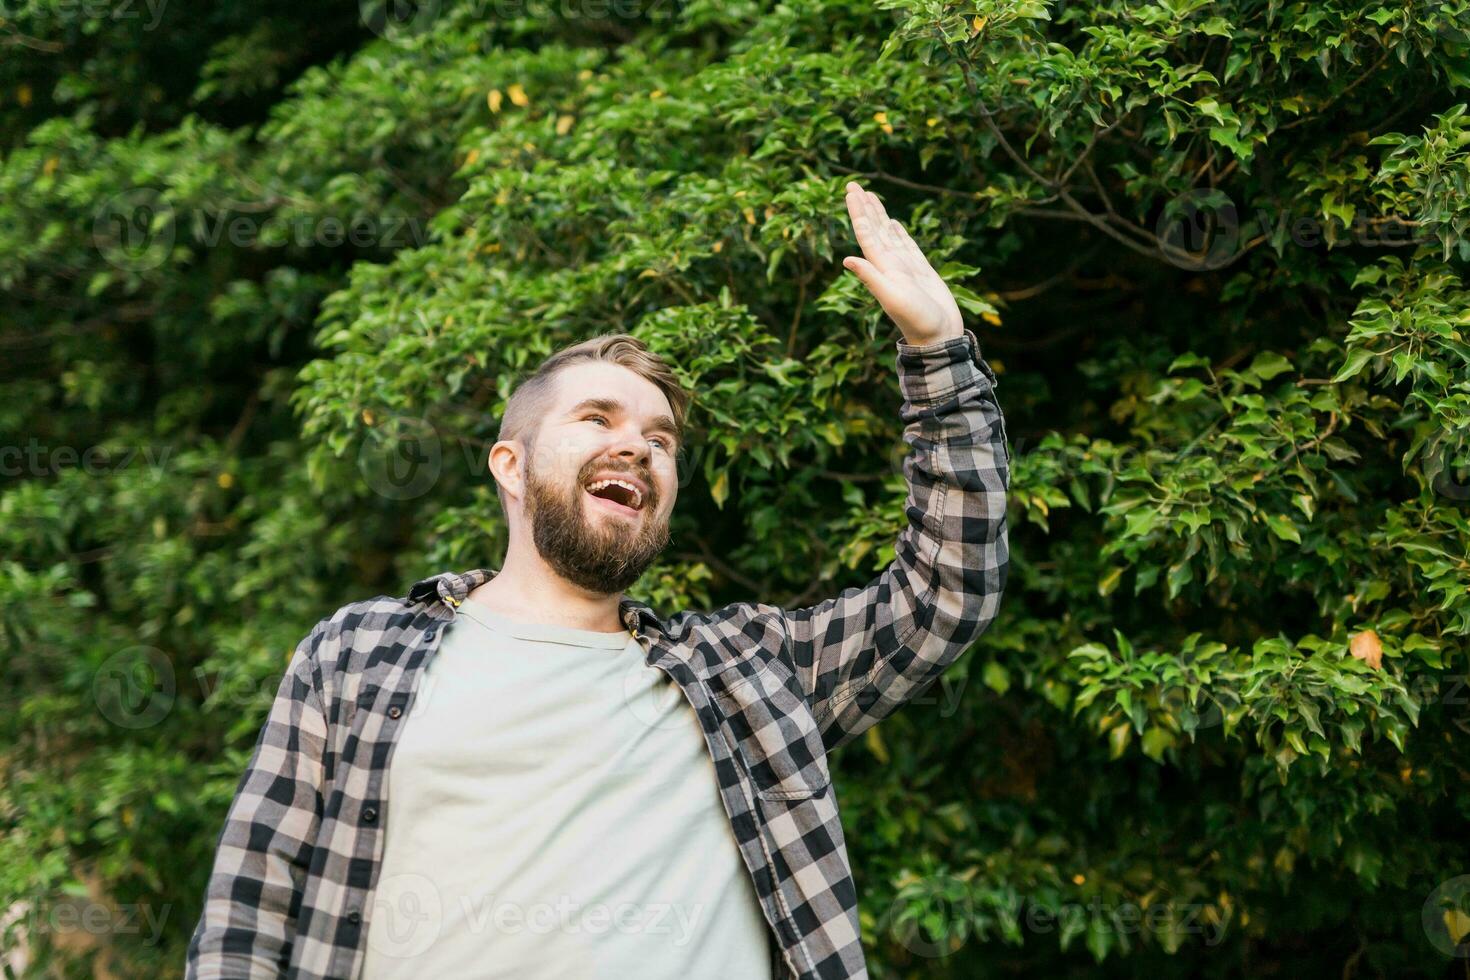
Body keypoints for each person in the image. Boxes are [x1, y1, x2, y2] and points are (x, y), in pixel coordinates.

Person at [185, 180, 1010, 980]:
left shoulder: (747, 674)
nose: (638, 447)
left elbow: (946, 588)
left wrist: (939, 352)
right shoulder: (358, 653)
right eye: (596, 419)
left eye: (660, 440)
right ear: (510, 464)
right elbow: (247, 912)